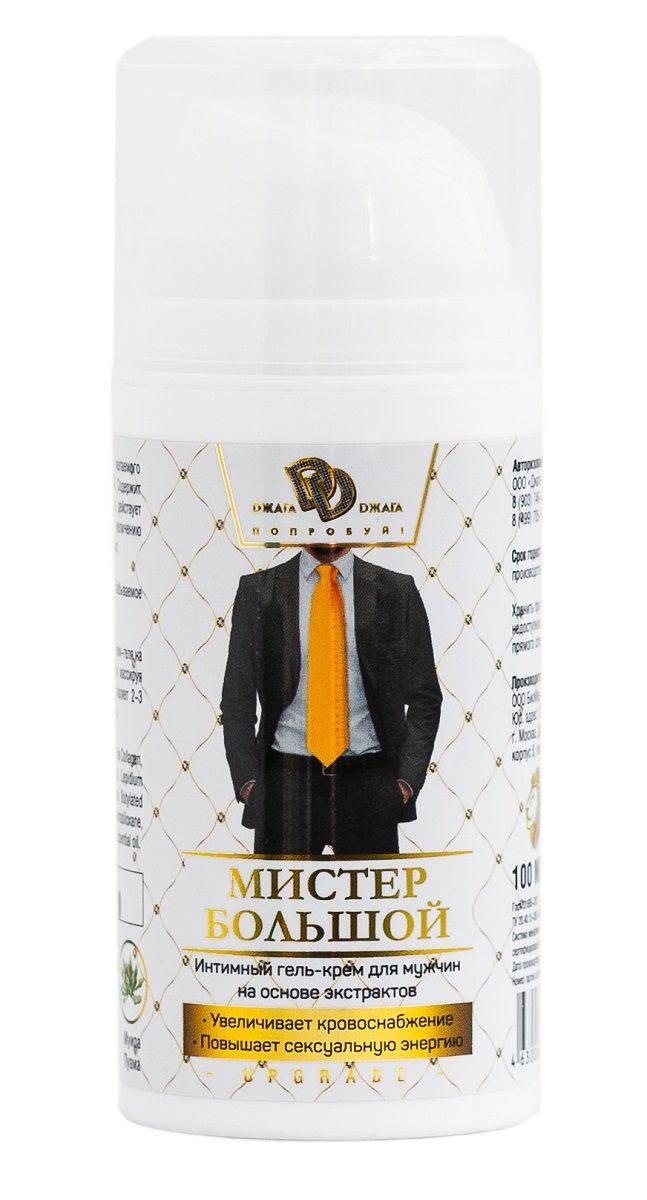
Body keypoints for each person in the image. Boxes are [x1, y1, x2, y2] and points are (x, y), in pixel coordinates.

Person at [221, 545, 442, 855]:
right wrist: (248, 783)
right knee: (284, 888)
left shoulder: (395, 590)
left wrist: (405, 782)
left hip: (369, 784)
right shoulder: (259, 589)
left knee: (371, 887)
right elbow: (236, 698)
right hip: (285, 784)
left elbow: (425, 697)